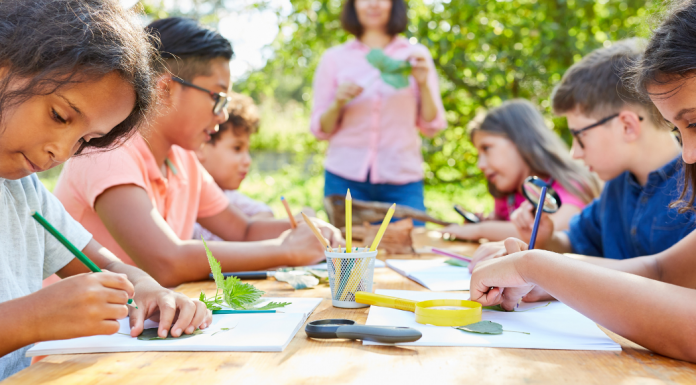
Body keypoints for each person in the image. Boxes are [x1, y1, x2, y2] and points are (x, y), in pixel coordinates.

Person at [469, 0, 696, 362]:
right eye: (679, 130)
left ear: (627, 124)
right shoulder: (618, 191)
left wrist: (538, 267)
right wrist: (546, 268)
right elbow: (662, 269)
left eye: (694, 123)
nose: (687, 154)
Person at [0, 1, 211, 379]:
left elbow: (108, 265)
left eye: (85, 140)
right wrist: (30, 318)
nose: (62, 152)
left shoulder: (24, 193)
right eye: (60, 115)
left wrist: (145, 288)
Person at [54, 17, 343, 288]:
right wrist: (286, 250)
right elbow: (165, 262)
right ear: (165, 89)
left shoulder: (183, 160)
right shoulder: (107, 152)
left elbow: (243, 230)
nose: (223, 114)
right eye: (218, 98)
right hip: (76, 332)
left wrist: (314, 232)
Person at [468, 39, 692, 271]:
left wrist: (543, 267)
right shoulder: (616, 187)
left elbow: (667, 280)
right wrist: (548, 238)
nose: (574, 153)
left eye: (580, 137)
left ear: (627, 126)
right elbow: (573, 242)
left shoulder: (690, 193)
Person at [310, 0, 447, 225]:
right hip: (344, 178)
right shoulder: (334, 58)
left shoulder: (415, 55)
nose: (373, 4)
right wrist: (337, 102)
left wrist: (423, 84)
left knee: (410, 254)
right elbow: (321, 130)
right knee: (348, 256)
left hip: (402, 180)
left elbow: (432, 125)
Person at [441, 99, 601, 242]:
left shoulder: (569, 184)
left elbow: (552, 232)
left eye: (486, 148)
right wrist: (488, 224)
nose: (480, 165)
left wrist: (479, 230)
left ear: (521, 141)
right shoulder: (508, 195)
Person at [193, 93, 274, 242]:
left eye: (248, 150)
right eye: (237, 148)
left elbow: (265, 212)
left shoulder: (228, 195)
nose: (248, 161)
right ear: (202, 145)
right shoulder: (187, 194)